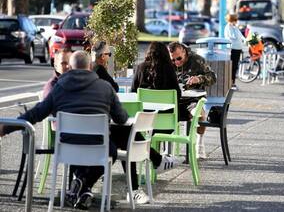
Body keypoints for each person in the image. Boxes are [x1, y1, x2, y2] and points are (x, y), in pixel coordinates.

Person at [0, 51, 128, 209]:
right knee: (112, 150)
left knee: (88, 149)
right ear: (90, 66)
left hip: (67, 147)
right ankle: (83, 184)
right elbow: (122, 118)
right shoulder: (106, 88)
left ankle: (81, 187)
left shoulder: (59, 88)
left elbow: (36, 114)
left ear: (71, 67)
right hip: (98, 147)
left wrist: (5, 128)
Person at [109, 41, 181, 204]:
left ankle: (155, 164)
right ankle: (159, 161)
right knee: (129, 136)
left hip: (143, 122)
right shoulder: (169, 69)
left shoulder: (140, 68)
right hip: (164, 123)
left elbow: (134, 93)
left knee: (130, 133)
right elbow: (177, 94)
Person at [168, 42, 216, 159]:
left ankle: (199, 144)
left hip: (193, 99)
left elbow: (213, 77)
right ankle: (167, 150)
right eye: (173, 60)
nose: (176, 62)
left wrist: (199, 79)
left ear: (184, 52)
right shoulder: (168, 62)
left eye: (179, 58)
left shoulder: (197, 60)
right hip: (174, 100)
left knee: (199, 115)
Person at [224, 13, 246, 90]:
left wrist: (245, 40)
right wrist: (233, 27)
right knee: (232, 66)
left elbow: (241, 36)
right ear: (231, 20)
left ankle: (233, 82)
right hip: (232, 48)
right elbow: (233, 36)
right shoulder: (228, 27)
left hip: (238, 48)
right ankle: (231, 83)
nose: (236, 21)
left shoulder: (234, 27)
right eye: (235, 20)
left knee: (235, 66)